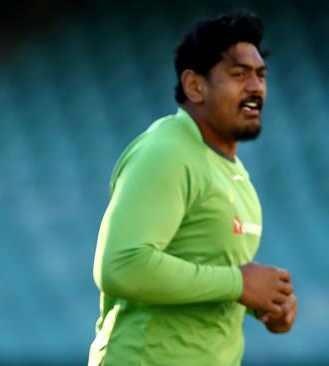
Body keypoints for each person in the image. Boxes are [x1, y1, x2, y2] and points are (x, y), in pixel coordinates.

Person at [88, 10, 297, 365]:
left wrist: (262, 302)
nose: (255, 87)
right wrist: (240, 284)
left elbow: (204, 271)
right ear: (195, 86)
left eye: (261, 76)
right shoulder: (166, 151)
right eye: (238, 74)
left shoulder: (231, 170)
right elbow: (121, 266)